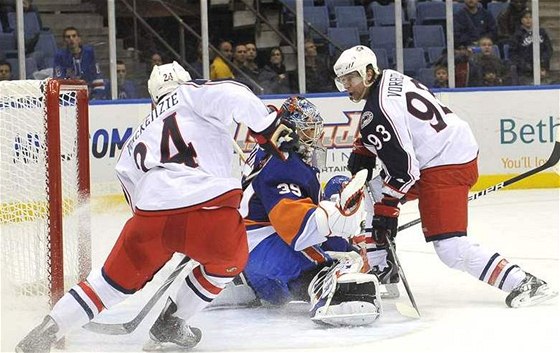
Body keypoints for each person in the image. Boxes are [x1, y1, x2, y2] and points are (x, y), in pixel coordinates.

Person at [15, 61, 299, 353]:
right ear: (186, 80)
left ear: (153, 99)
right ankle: (173, 321)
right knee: (228, 264)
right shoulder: (191, 93)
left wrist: (165, 237)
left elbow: (133, 198)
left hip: (151, 219)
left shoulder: (135, 139)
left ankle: (44, 333)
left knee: (107, 284)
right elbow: (235, 92)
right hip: (209, 212)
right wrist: (268, 128)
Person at [332, 45, 557, 309]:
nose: (347, 86)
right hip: (449, 150)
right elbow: (394, 121)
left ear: (369, 73)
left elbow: (405, 171)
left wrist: (386, 212)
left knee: (449, 248)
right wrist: (364, 146)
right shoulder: (390, 77)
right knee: (372, 184)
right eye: (343, 81)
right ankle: (383, 269)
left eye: (352, 78)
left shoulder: (379, 111)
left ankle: (524, 282)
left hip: (445, 166)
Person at [237, 96, 381, 326]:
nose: (315, 137)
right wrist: (338, 219)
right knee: (326, 267)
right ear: (289, 131)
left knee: (278, 298)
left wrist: (345, 245)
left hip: (254, 256)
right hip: (263, 244)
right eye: (307, 131)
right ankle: (328, 293)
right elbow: (296, 228)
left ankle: (244, 278)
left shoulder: (275, 152)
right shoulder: (281, 163)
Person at [53, 26, 105, 100]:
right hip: (69, 97)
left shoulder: (89, 53)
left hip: (89, 94)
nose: (71, 39)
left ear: (79, 39)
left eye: (74, 36)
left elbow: (97, 77)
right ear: (64, 40)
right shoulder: (60, 56)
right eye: (68, 37)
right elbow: (58, 79)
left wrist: (95, 98)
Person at [510, 10, 554, 86]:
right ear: (521, 20)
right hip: (525, 73)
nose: (528, 19)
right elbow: (513, 54)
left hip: (542, 71)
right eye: (526, 17)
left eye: (530, 17)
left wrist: (542, 65)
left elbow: (548, 50)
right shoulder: (517, 35)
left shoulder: (542, 32)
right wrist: (529, 67)